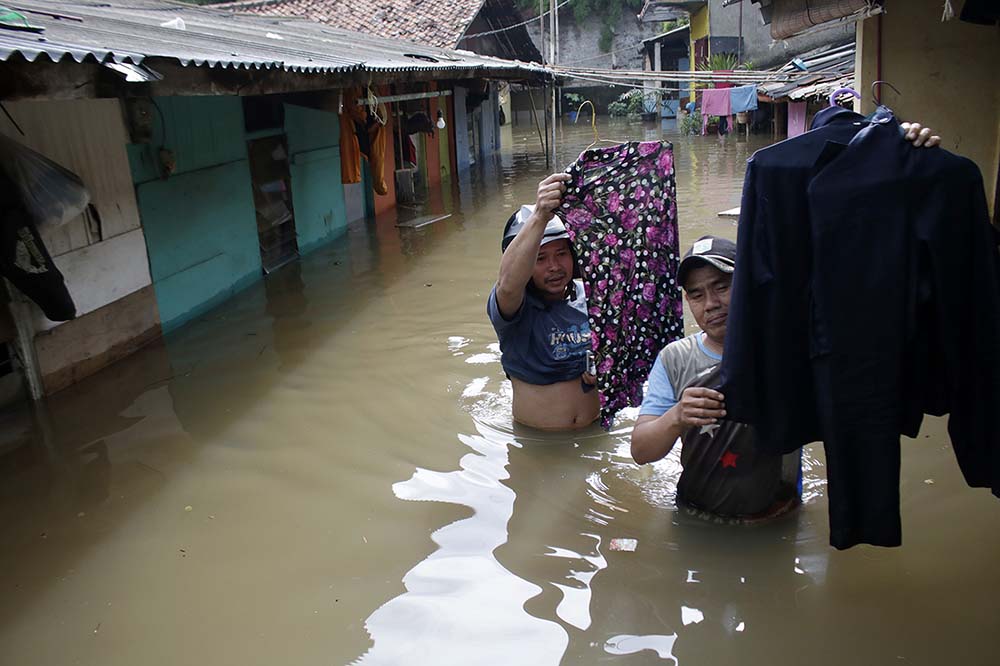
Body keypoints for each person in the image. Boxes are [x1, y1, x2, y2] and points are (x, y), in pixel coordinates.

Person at [629, 124, 942, 520]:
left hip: (777, 519)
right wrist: (676, 416)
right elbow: (640, 451)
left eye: (723, 285)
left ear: (747, 283)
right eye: (696, 294)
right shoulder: (675, 359)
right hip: (696, 517)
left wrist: (907, 157)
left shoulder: (789, 342)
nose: (710, 303)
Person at [487, 173, 599, 431]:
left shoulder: (591, 299)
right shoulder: (513, 310)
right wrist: (539, 216)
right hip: (539, 449)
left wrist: (604, 371)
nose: (554, 267)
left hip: (594, 434)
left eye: (561, 254)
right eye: (540, 258)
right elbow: (507, 284)